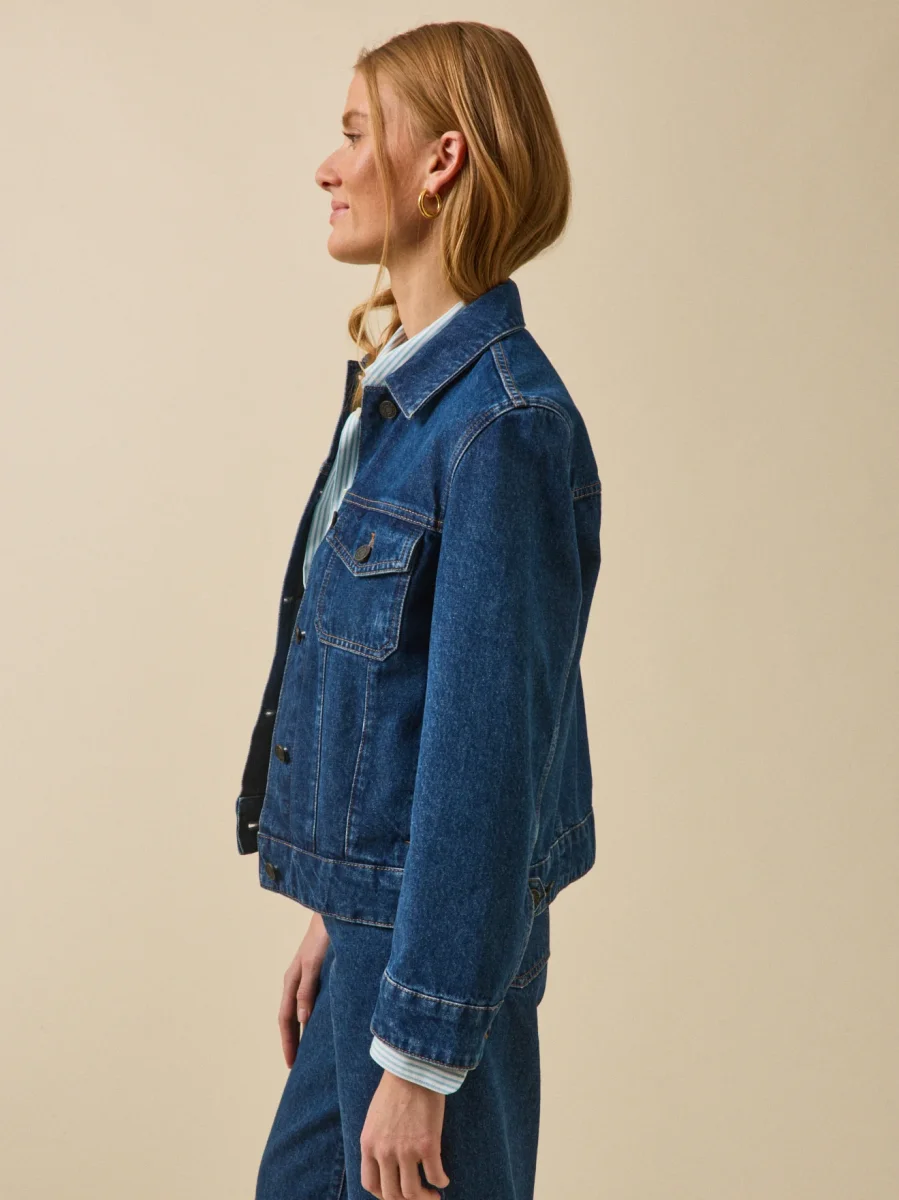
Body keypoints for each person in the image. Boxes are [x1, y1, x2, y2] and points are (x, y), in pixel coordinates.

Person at [236, 20, 603, 1200]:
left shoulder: (499, 430)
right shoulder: (403, 405)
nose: (327, 167)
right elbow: (389, 714)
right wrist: (337, 916)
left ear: (440, 162)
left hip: (431, 981)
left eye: (354, 134)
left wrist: (422, 1049)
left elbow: (486, 766)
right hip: (379, 943)